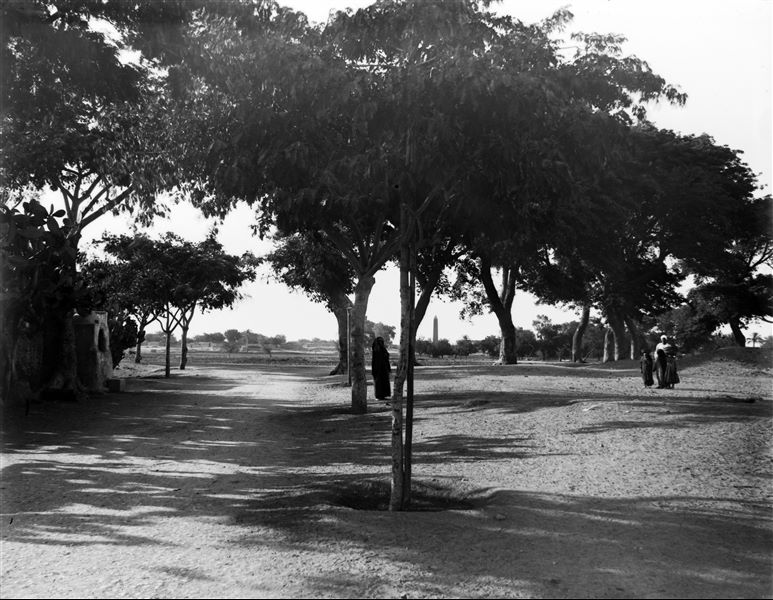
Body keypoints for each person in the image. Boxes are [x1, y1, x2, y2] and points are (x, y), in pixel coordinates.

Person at [371, 336, 392, 400]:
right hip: (379, 369)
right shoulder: (377, 349)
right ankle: (380, 395)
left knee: (381, 382)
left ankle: (382, 395)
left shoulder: (380, 349)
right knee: (379, 382)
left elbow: (386, 357)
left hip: (382, 368)